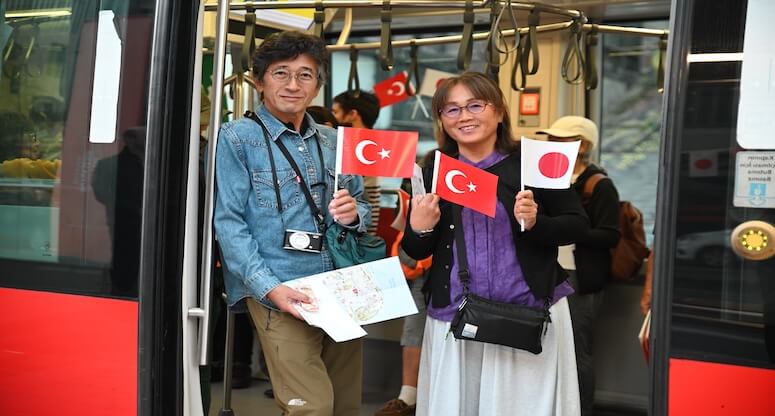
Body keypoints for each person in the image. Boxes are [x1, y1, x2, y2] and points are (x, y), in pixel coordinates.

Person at [401, 72, 588, 416]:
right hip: (455, 313)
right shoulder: (431, 170)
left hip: (526, 310)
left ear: (500, 112)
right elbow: (415, 251)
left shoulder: (534, 162)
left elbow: (578, 225)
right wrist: (420, 227)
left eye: (475, 105)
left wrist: (535, 223)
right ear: (441, 120)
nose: (465, 116)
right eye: (452, 110)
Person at [214, 31, 371, 416]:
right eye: (281, 73)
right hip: (283, 288)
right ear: (259, 81)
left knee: (346, 406)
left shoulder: (336, 142)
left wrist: (355, 214)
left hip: (341, 286)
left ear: (317, 84)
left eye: (305, 75)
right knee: (312, 408)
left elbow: (362, 207)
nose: (293, 84)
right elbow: (229, 223)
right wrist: (269, 289)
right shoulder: (236, 139)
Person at [539, 116, 621, 416]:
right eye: (552, 140)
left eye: (561, 140)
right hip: (547, 272)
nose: (553, 145)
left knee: (576, 350)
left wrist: (569, 228)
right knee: (548, 346)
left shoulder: (599, 185)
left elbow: (611, 234)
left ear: (582, 145)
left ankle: (580, 410)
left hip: (578, 276)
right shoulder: (545, 179)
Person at [375, 184, 432, 416]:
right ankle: (408, 396)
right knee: (414, 326)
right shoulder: (421, 175)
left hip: (460, 265)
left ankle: (420, 395)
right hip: (423, 266)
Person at [332, 90, 382, 236]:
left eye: (335, 112)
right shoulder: (373, 144)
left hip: (357, 229)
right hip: (363, 226)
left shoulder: (359, 147)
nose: (333, 117)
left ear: (352, 114)